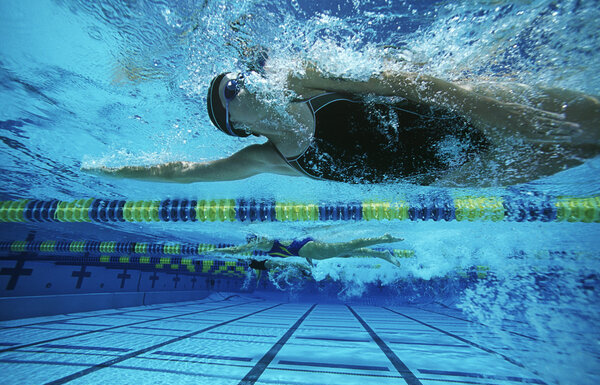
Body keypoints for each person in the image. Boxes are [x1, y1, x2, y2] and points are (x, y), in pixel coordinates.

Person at [86, 62, 600, 186]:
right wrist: (113, 172)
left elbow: (414, 82)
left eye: (239, 75)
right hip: (467, 169)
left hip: (472, 108)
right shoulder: (266, 156)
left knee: (592, 119)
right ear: (238, 126)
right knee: (591, 150)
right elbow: (187, 170)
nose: (241, 82)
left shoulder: (309, 80)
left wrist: (514, 118)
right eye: (230, 91)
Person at [206, 233, 404, 266]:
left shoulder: (262, 244)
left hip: (309, 249)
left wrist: (214, 252)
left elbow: (235, 251)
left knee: (348, 247)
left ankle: (384, 239)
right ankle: (381, 254)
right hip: (307, 248)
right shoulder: (268, 243)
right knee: (346, 252)